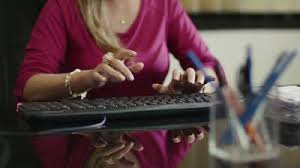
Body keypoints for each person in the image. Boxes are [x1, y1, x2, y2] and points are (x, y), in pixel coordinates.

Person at [15, 0, 226, 167]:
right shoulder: (63, 6)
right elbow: (29, 86)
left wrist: (196, 86)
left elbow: (206, 64)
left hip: (153, 130)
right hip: (81, 137)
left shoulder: (165, 4)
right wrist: (87, 79)